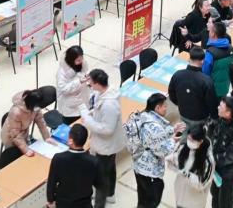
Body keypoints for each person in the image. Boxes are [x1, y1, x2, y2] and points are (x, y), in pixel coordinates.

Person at [79, 69, 126, 208]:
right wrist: (91, 113)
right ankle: (110, 194)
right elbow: (99, 110)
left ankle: (100, 204)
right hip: (108, 144)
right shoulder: (104, 93)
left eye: (91, 82)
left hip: (106, 145)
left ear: (98, 84)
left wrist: (88, 121)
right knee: (109, 169)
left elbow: (107, 129)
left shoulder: (109, 104)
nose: (90, 85)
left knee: (101, 176)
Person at [124, 93, 180, 208]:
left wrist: (172, 130)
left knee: (142, 196)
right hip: (150, 171)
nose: (166, 108)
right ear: (157, 108)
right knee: (152, 199)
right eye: (164, 106)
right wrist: (173, 141)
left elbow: (153, 136)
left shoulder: (143, 115)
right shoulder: (155, 128)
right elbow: (162, 151)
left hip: (138, 165)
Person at [46, 124, 99, 208]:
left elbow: (51, 183)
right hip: (84, 204)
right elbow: (98, 183)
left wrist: (50, 200)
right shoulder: (94, 161)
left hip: (63, 203)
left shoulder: (58, 159)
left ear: (70, 140)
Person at [167, 124, 217, 208]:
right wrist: (171, 162)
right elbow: (176, 165)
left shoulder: (208, 161)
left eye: (193, 140)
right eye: (189, 138)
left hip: (194, 202)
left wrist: (186, 173)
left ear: (201, 141)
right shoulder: (183, 148)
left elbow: (201, 184)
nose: (190, 142)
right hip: (180, 196)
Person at [0, 89, 52, 168]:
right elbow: (15, 135)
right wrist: (26, 150)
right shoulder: (16, 112)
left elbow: (41, 122)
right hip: (10, 137)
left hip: (23, 133)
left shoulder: (35, 106)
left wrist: (47, 138)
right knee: (13, 159)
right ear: (31, 104)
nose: (38, 109)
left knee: (27, 157)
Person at [168, 47, 218, 129]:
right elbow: (212, 102)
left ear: (189, 58)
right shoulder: (206, 80)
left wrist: (181, 104)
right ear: (202, 61)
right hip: (200, 118)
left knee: (184, 132)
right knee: (198, 136)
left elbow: (171, 94)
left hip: (183, 113)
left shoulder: (177, 75)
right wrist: (215, 117)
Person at [201, 21, 233, 103]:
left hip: (213, 90)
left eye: (210, 31)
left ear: (213, 34)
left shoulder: (210, 53)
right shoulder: (230, 48)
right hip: (225, 86)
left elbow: (205, 73)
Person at [56, 45, 89, 125]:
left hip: (82, 102)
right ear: (71, 59)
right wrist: (79, 82)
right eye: (78, 60)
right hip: (70, 108)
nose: (81, 61)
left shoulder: (82, 63)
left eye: (82, 58)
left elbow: (85, 73)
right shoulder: (62, 72)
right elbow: (64, 89)